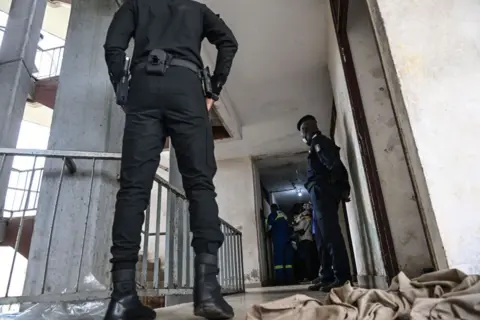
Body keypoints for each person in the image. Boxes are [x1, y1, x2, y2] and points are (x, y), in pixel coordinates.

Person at [103, 0, 238, 319]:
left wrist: (123, 89)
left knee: (133, 190)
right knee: (200, 186)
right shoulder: (197, 9)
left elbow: (113, 47)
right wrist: (213, 89)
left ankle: (122, 297)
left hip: (143, 88)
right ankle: (207, 292)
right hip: (187, 88)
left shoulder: (135, 5)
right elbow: (228, 42)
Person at [296, 115, 351, 292]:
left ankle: (342, 277)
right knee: (320, 238)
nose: (303, 136)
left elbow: (334, 166)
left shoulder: (319, 142)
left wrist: (340, 189)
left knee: (330, 235)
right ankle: (326, 276)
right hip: (317, 195)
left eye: (302, 131)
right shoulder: (315, 145)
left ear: (305, 130)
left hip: (323, 193)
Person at [266, 204, 294, 285]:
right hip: (287, 240)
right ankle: (290, 280)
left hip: (279, 241)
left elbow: (270, 224)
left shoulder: (272, 215)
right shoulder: (283, 215)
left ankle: (280, 281)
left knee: (279, 262)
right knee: (288, 262)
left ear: (272, 208)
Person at [293, 203, 317, 281]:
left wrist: (293, 227)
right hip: (306, 240)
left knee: (307, 260)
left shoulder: (306, 216)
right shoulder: (307, 216)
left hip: (306, 240)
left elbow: (301, 228)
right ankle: (309, 275)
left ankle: (309, 276)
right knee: (307, 259)